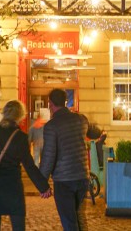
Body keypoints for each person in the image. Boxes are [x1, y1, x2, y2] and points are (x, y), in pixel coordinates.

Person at [0, 100, 50, 231]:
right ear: (20, 117)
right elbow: (29, 165)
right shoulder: (20, 137)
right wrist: (43, 187)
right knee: (18, 225)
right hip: (12, 187)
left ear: (4, 113)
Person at [39, 89, 90, 231]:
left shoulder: (51, 126)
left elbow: (49, 156)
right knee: (78, 217)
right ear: (65, 101)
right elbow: (92, 131)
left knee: (69, 222)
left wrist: (42, 183)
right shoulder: (81, 119)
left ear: (50, 103)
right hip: (82, 177)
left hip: (64, 180)